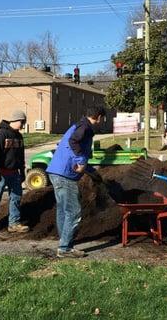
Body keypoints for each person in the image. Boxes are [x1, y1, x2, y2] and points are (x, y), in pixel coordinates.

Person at [46, 106, 107, 258]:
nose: (102, 121)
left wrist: (92, 171)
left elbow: (71, 149)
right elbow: (74, 142)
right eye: (103, 118)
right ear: (98, 117)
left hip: (56, 172)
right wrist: (81, 161)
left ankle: (64, 241)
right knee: (74, 211)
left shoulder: (78, 125)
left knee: (63, 210)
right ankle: (65, 248)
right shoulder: (85, 128)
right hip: (65, 175)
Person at [0, 110, 30, 234]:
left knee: (16, 198)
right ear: (15, 120)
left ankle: (14, 223)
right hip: (1, 172)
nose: (23, 125)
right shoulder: (1, 134)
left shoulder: (19, 136)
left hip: (14, 173)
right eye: (22, 122)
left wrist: (22, 170)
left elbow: (21, 155)